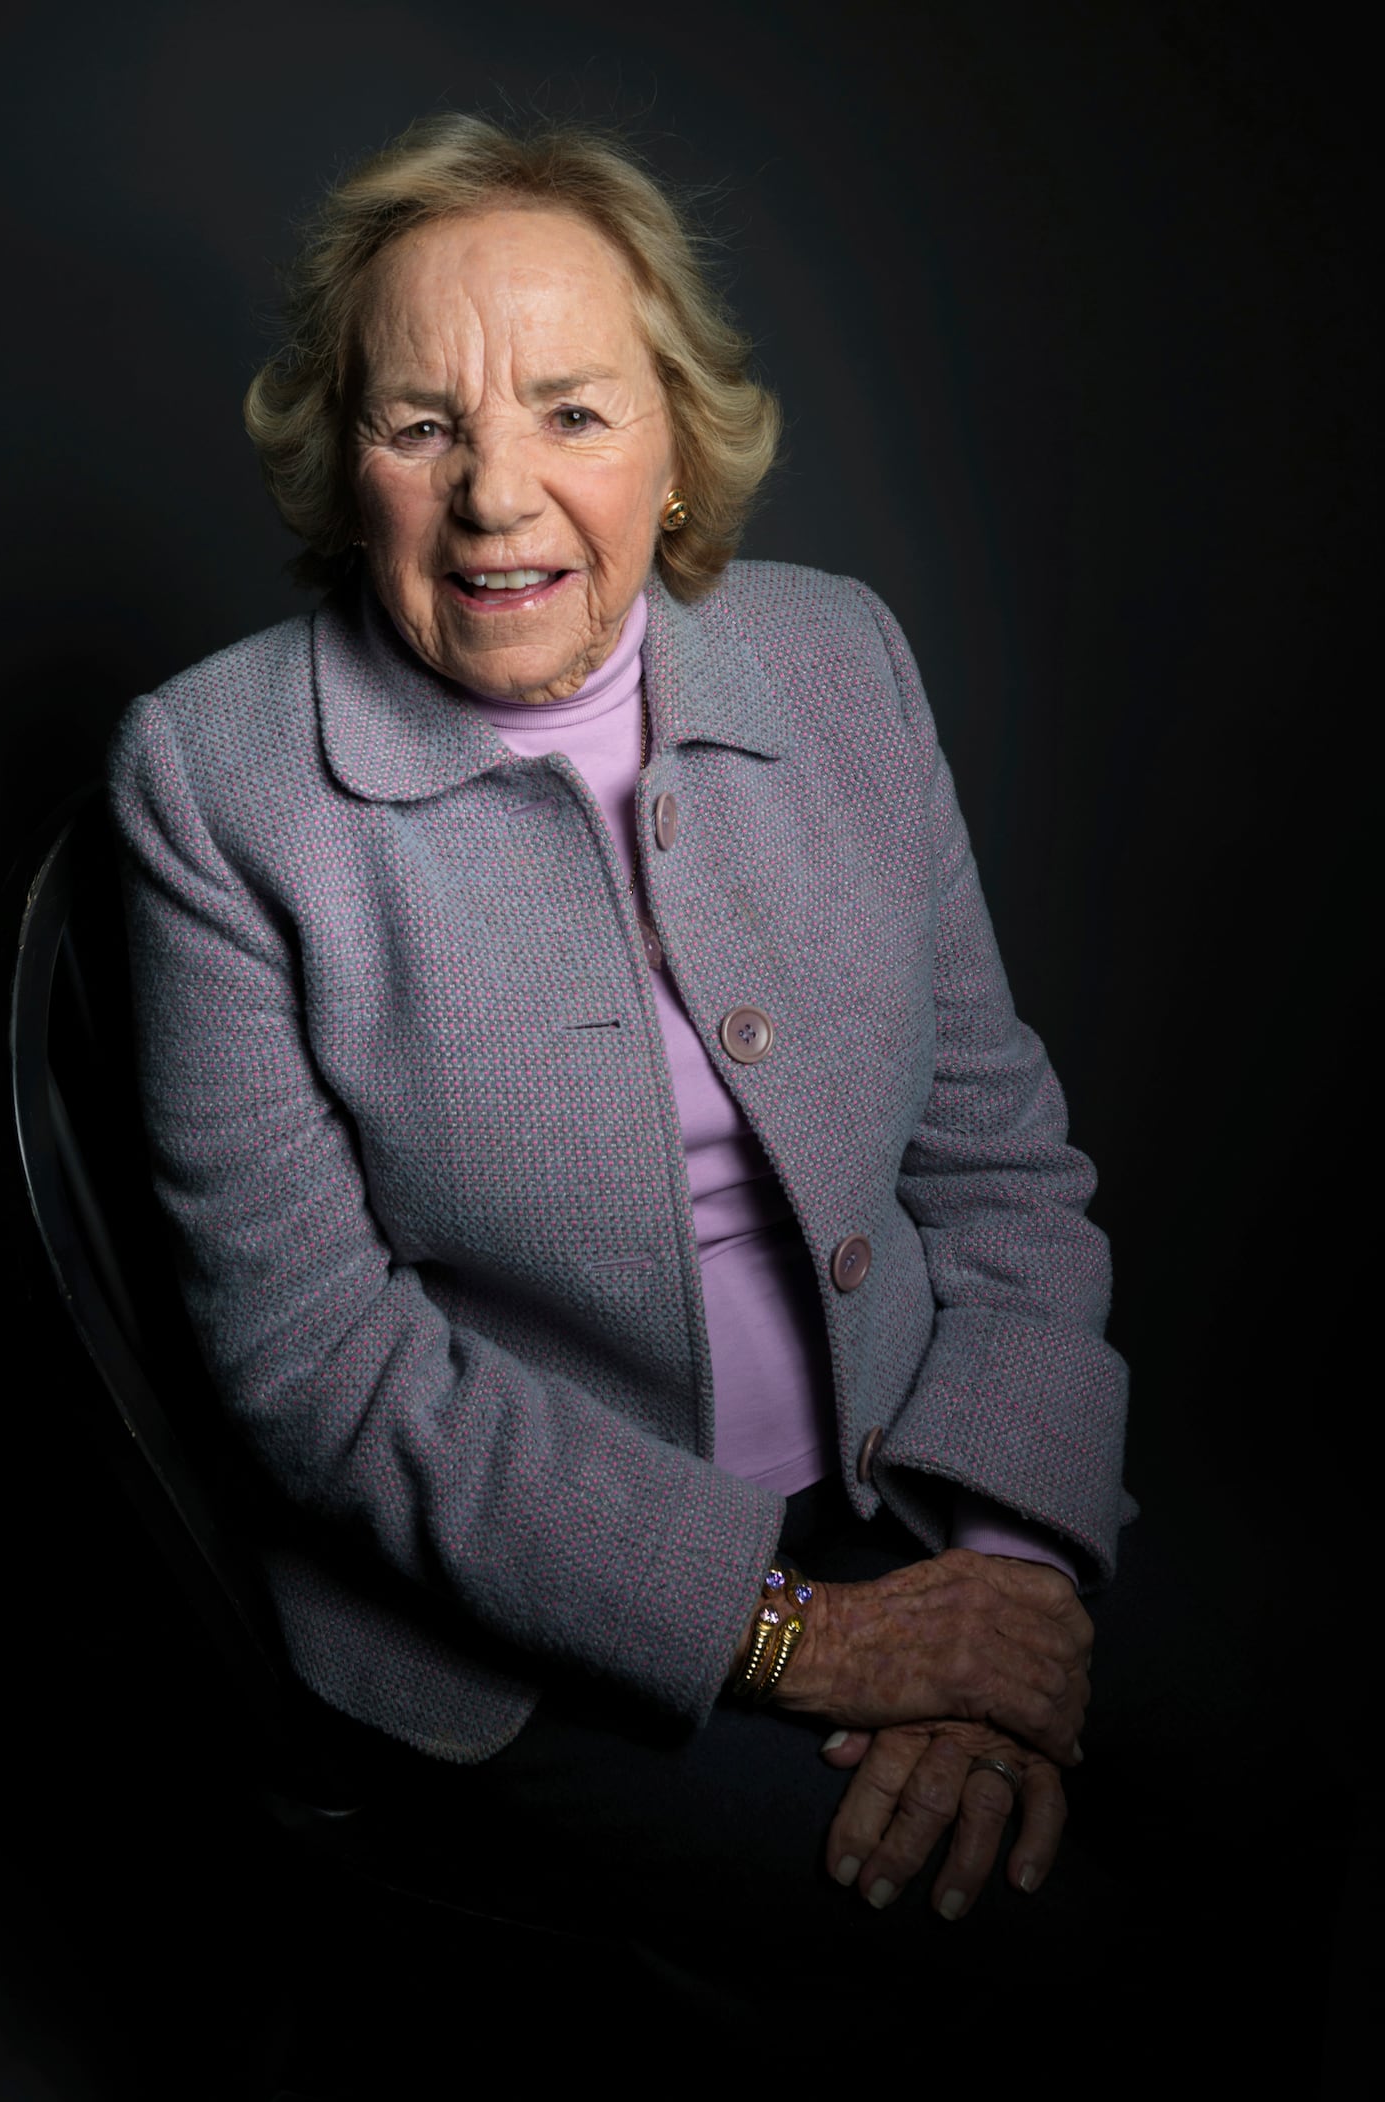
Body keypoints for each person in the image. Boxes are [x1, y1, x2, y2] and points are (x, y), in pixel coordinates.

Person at [108, 111, 1201, 2056]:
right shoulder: (213, 784)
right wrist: (811, 1636)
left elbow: (996, 1156)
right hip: (525, 1631)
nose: (494, 497)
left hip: (912, 1500)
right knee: (1073, 1970)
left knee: (1262, 1795)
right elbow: (320, 1376)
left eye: (572, 412)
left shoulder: (838, 660)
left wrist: (1002, 1578)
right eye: (419, 422)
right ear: (338, 458)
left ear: (678, 436)